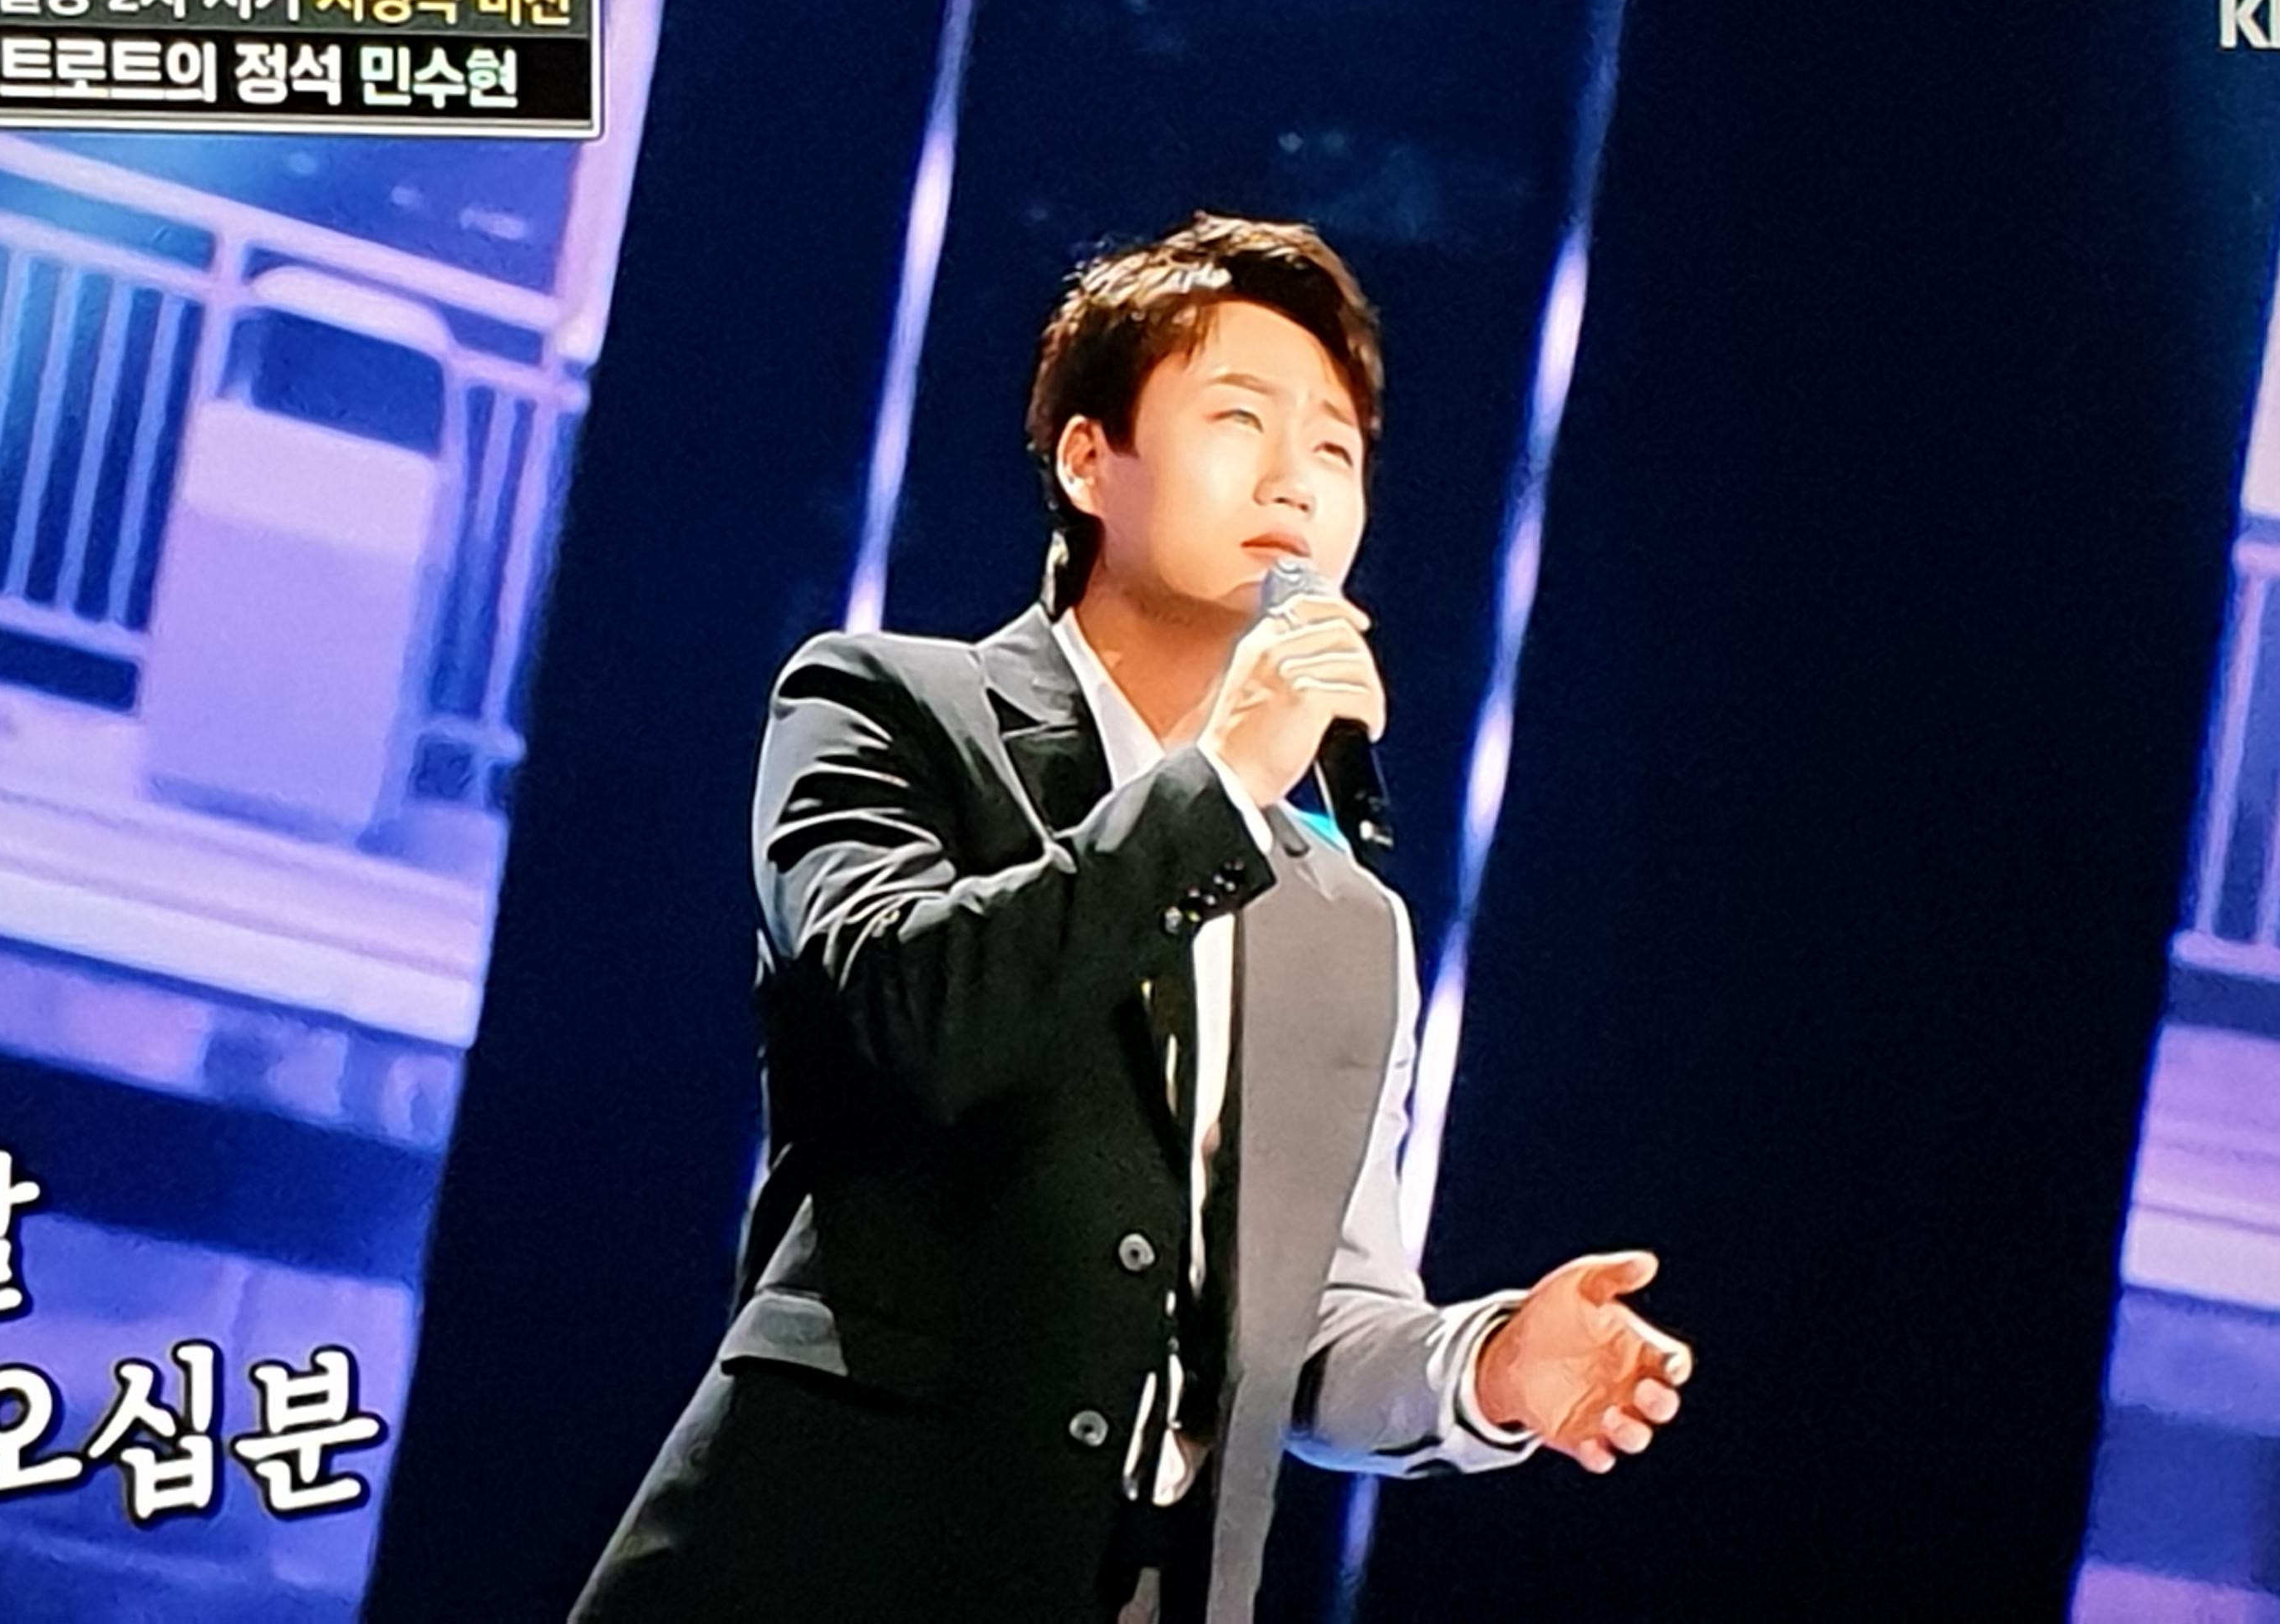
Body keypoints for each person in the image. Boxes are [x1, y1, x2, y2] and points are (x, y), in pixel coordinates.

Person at [572, 213, 1689, 1623]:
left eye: (1334, 450)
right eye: (1239, 419)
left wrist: (1484, 1370)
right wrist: (1221, 784)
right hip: (827, 1565)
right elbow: (914, 1014)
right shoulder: (891, 707)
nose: (1293, 479)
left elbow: (1308, 1330)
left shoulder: (1348, 924)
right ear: (1087, 460)